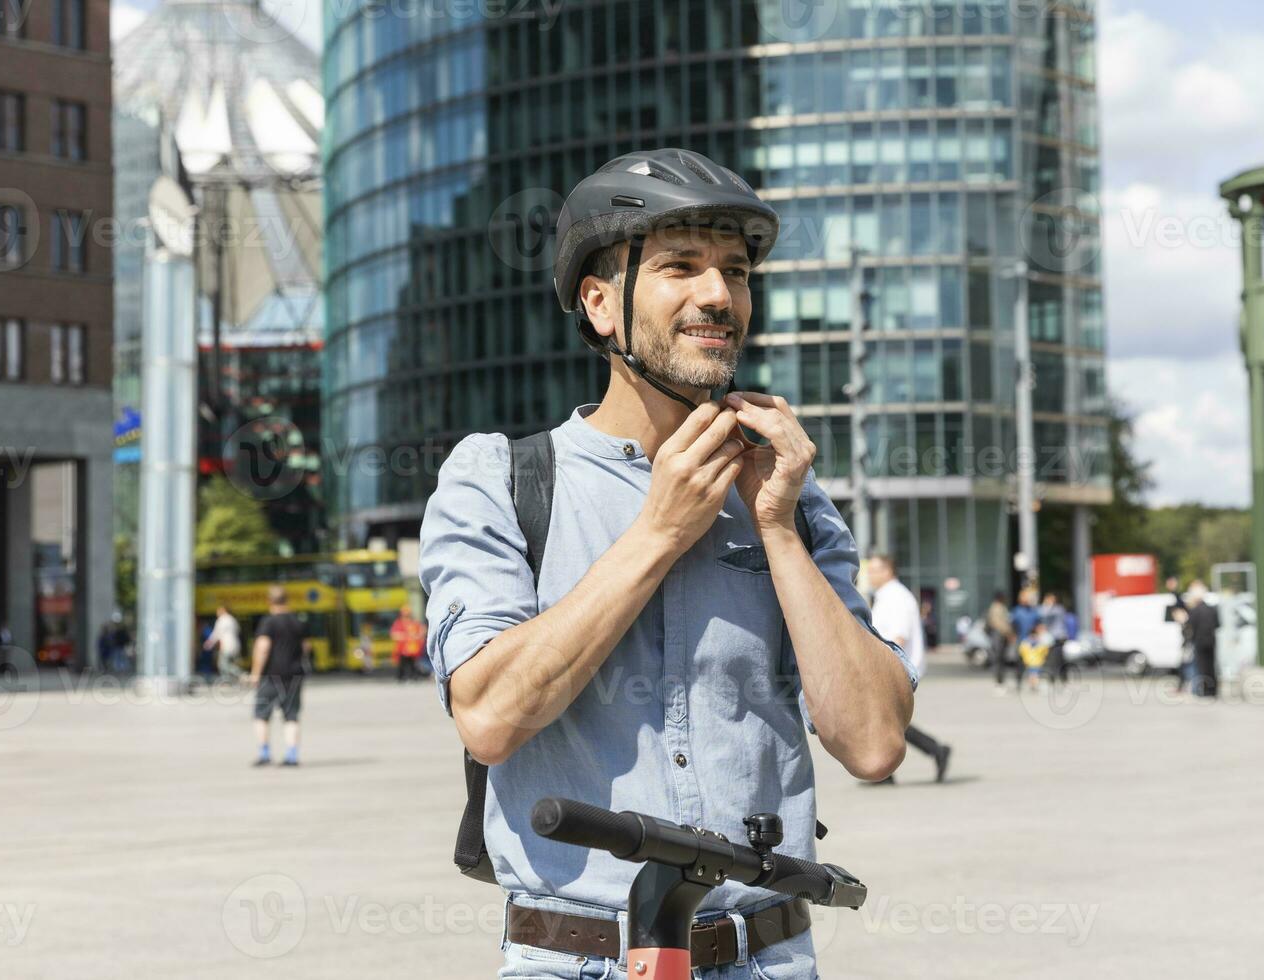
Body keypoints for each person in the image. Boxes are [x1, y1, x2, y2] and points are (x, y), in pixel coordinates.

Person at [419, 148, 916, 980]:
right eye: (681, 267)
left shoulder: (788, 492)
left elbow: (872, 743)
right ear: (601, 304)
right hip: (573, 961)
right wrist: (657, 532)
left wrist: (779, 529)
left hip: (768, 956)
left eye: (734, 271)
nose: (719, 296)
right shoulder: (500, 479)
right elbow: (491, 715)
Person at [865, 555, 951, 783]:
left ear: (888, 571)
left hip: (894, 668)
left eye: (874, 570)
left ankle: (935, 750)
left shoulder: (896, 597)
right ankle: (887, 772)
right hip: (890, 667)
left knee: (887, 719)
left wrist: (884, 669)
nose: (870, 575)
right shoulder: (886, 596)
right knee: (886, 719)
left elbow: (898, 637)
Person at [248, 586, 309, 767]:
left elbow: (262, 648)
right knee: (291, 716)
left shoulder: (268, 622)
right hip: (295, 674)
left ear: (270, 601)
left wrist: (255, 674)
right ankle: (292, 755)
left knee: (261, 715)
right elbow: (306, 647)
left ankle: (264, 753)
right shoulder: (299, 621)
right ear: (287, 600)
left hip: (271, 675)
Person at [1184, 581, 1220, 699]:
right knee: (1211, 666)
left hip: (1199, 641)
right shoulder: (1211, 609)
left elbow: (1189, 627)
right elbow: (1218, 624)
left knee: (1202, 666)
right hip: (1211, 640)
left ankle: (1204, 690)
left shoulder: (1195, 611)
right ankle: (1213, 690)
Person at [985, 590, 1018, 694]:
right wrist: (1008, 632)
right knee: (998, 659)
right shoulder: (996, 607)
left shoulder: (1000, 607)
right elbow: (997, 623)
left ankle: (1001, 681)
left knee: (1001, 659)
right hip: (998, 636)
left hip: (1001, 636)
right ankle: (999, 682)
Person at [1166, 576, 1193, 694]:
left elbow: (1179, 603)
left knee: (1185, 663)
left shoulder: (1187, 623)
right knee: (1183, 663)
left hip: (1188, 642)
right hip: (1186, 641)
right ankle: (1182, 686)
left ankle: (1185, 686)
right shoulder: (1185, 624)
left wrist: (1174, 590)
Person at [204, 605, 243, 679]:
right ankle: (230, 680)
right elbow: (238, 631)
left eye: (218, 611)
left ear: (223, 610)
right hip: (236, 645)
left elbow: (216, 634)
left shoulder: (222, 619)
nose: (217, 613)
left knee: (223, 665)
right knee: (231, 663)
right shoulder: (232, 619)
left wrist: (209, 643)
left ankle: (241, 675)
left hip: (227, 646)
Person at [390, 605, 427, 682]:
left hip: (412, 648)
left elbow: (422, 630)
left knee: (413, 663)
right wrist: (406, 636)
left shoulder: (414, 623)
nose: (406, 616)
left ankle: (413, 676)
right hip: (402, 648)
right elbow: (394, 634)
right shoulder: (399, 623)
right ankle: (401, 677)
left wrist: (418, 636)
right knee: (402, 663)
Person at [1018, 622, 1052, 691]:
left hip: (1030, 661)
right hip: (1037, 661)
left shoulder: (1026, 642)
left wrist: (1024, 658)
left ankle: (1032, 685)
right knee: (1035, 674)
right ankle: (1034, 685)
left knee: (1032, 673)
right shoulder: (1039, 642)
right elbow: (1044, 650)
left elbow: (1022, 650)